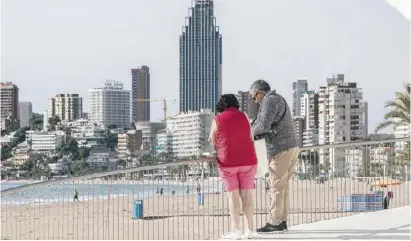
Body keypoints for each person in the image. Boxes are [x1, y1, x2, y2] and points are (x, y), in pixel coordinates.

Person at [249, 80, 299, 233]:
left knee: (276, 187)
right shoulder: (278, 98)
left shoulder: (269, 100)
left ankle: (274, 222)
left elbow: (263, 125)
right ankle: (282, 220)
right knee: (283, 187)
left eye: (254, 96)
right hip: (291, 147)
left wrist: (247, 134)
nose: (254, 100)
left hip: (280, 149)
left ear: (260, 92)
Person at [209, 94, 257, 239]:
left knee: (233, 196)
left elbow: (212, 140)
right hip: (248, 160)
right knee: (247, 195)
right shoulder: (244, 116)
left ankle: (236, 230)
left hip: (227, 162)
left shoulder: (217, 119)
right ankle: (249, 230)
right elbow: (251, 137)